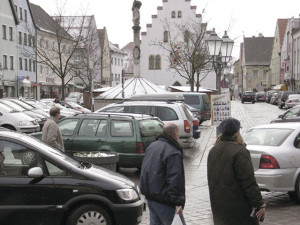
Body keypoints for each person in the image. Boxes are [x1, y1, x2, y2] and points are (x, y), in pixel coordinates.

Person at [207, 118, 266, 225]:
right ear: (237, 132)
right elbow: (248, 181)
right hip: (239, 208)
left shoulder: (213, 150)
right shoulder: (240, 151)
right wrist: (259, 204)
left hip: (219, 207)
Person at [140, 122, 186, 225]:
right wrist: (178, 203)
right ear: (174, 134)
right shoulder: (173, 152)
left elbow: (145, 171)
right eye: (178, 134)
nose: (178, 136)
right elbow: (175, 179)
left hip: (152, 198)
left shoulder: (152, 146)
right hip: (166, 202)